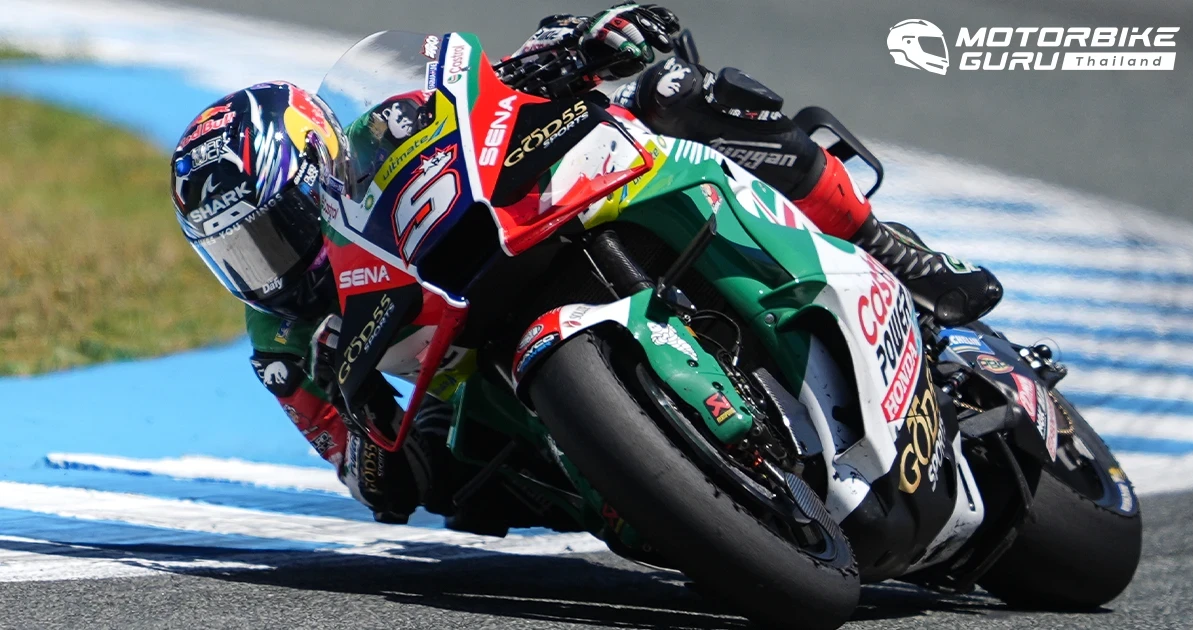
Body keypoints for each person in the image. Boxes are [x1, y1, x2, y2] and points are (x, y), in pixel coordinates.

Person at [169, 3, 1002, 530]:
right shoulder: (280, 339)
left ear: (317, 173)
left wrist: (571, 42)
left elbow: (481, 101)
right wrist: (373, 453)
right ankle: (674, 500)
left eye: (274, 232)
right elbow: (363, 476)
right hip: (482, 385)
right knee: (458, 493)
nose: (270, 269)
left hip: (514, 232)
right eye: (236, 254)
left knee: (678, 94)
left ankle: (886, 246)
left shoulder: (377, 134)